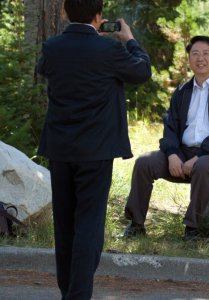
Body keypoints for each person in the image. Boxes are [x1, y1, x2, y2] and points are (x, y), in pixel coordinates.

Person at [37, 0, 151, 298]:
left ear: (64, 12)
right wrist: (131, 41)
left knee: (64, 224)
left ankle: (69, 292)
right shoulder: (109, 50)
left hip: (60, 148)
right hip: (96, 150)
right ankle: (79, 294)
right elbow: (141, 72)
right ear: (99, 16)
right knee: (89, 222)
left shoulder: (53, 47)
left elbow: (44, 69)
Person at [123, 36, 209, 241]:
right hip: (182, 152)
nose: (200, 59)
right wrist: (171, 154)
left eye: (206, 54)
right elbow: (170, 126)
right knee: (144, 163)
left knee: (204, 167)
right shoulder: (182, 91)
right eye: (195, 54)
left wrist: (200, 157)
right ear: (189, 59)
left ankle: (192, 229)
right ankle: (136, 224)